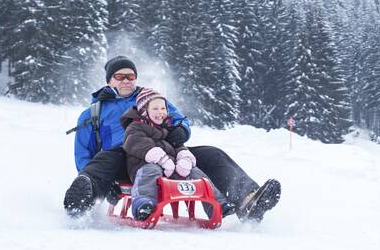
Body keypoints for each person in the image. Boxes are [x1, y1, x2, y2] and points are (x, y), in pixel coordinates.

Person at [64, 55, 280, 222]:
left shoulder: (150, 99)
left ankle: (247, 200)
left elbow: (179, 119)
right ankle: (83, 197)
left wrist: (181, 131)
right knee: (106, 157)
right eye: (120, 76)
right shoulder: (94, 112)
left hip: (168, 151)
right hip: (125, 159)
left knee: (212, 153)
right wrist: (98, 179)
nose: (127, 80)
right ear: (109, 80)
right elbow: (83, 152)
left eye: (131, 76)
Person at [122, 87, 236, 220]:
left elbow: (178, 146)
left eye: (163, 108)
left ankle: (218, 204)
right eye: (155, 109)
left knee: (196, 174)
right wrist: (163, 160)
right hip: (144, 165)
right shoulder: (135, 127)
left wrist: (184, 159)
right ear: (144, 111)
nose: (160, 112)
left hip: (171, 169)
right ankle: (143, 204)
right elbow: (137, 143)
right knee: (151, 171)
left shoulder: (167, 127)